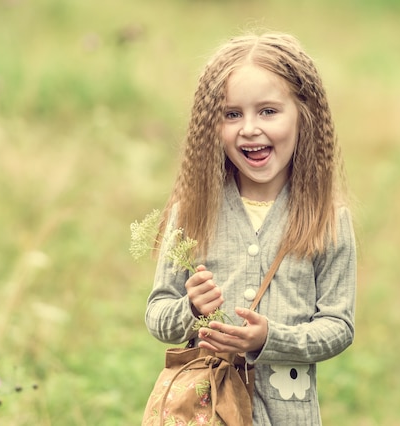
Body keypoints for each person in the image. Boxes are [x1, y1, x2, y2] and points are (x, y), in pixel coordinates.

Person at [145, 31, 357, 425]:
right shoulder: (192, 211)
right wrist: (190, 309)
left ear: (303, 114)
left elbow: (338, 327)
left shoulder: (327, 218)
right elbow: (158, 315)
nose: (249, 128)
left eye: (268, 112)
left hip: (286, 415)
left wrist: (270, 339)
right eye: (232, 114)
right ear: (212, 125)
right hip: (207, 410)